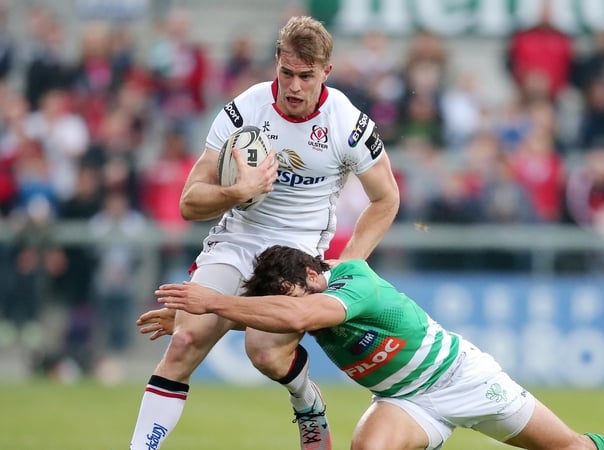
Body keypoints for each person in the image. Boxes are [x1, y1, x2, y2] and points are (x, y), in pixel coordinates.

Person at [128, 16, 400, 450]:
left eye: (306, 76)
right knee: (184, 340)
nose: (294, 86)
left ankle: (306, 400)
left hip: (298, 252)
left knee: (265, 354)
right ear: (277, 63)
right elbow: (188, 201)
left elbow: (386, 199)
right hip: (237, 238)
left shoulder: (346, 122)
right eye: (287, 73)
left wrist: (347, 265)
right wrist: (239, 190)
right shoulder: (245, 109)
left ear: (325, 72)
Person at [142, 245, 604, 450]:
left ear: (314, 275)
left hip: (462, 379)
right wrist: (201, 319)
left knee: (567, 447)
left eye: (293, 293)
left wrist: (213, 299)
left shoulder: (356, 281)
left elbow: (298, 316)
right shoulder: (303, 293)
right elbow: (276, 316)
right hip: (403, 401)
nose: (291, 306)